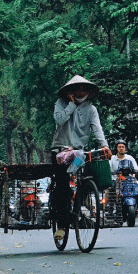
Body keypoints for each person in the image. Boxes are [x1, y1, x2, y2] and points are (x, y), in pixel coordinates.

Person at [50, 75, 110, 239]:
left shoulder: (91, 109)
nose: (81, 91)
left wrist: (104, 145)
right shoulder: (61, 104)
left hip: (79, 154)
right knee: (63, 187)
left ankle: (80, 211)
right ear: (70, 91)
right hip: (60, 153)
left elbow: (97, 129)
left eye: (84, 88)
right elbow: (59, 120)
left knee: (86, 180)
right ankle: (61, 225)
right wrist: (71, 105)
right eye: (77, 89)